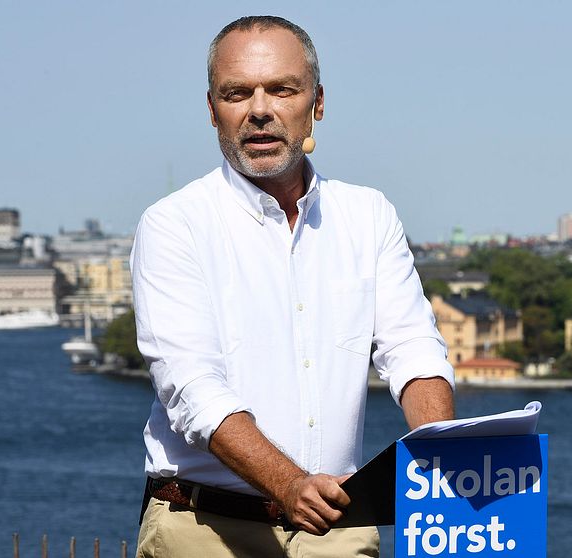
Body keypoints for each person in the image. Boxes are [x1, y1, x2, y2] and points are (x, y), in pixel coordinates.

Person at [132, 15, 455, 558]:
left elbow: (412, 348)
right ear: (213, 111)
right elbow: (191, 387)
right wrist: (286, 484)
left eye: (282, 89)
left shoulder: (368, 214)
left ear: (317, 103)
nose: (260, 110)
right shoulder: (173, 224)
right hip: (205, 530)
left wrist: (444, 451)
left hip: (337, 529)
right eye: (237, 93)